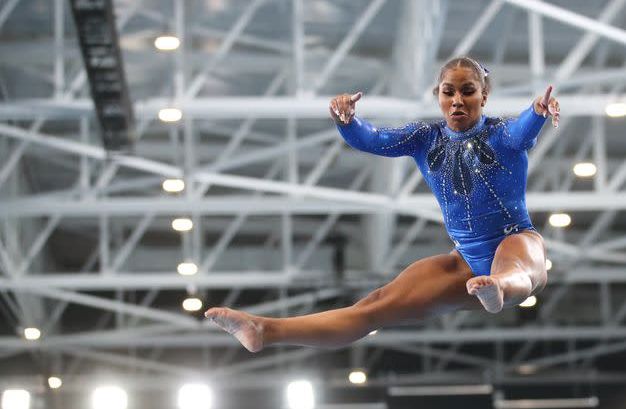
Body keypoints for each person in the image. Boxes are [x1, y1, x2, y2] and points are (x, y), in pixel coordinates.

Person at [206, 56, 559, 352]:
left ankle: (499, 288)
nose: (457, 101)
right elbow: (375, 139)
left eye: (468, 92)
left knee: (514, 267)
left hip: (515, 239)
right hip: (466, 262)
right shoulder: (426, 138)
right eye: (448, 92)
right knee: (374, 307)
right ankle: (266, 330)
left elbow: (522, 132)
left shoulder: (501, 135)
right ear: (438, 95)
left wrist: (537, 111)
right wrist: (348, 120)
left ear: (484, 96)